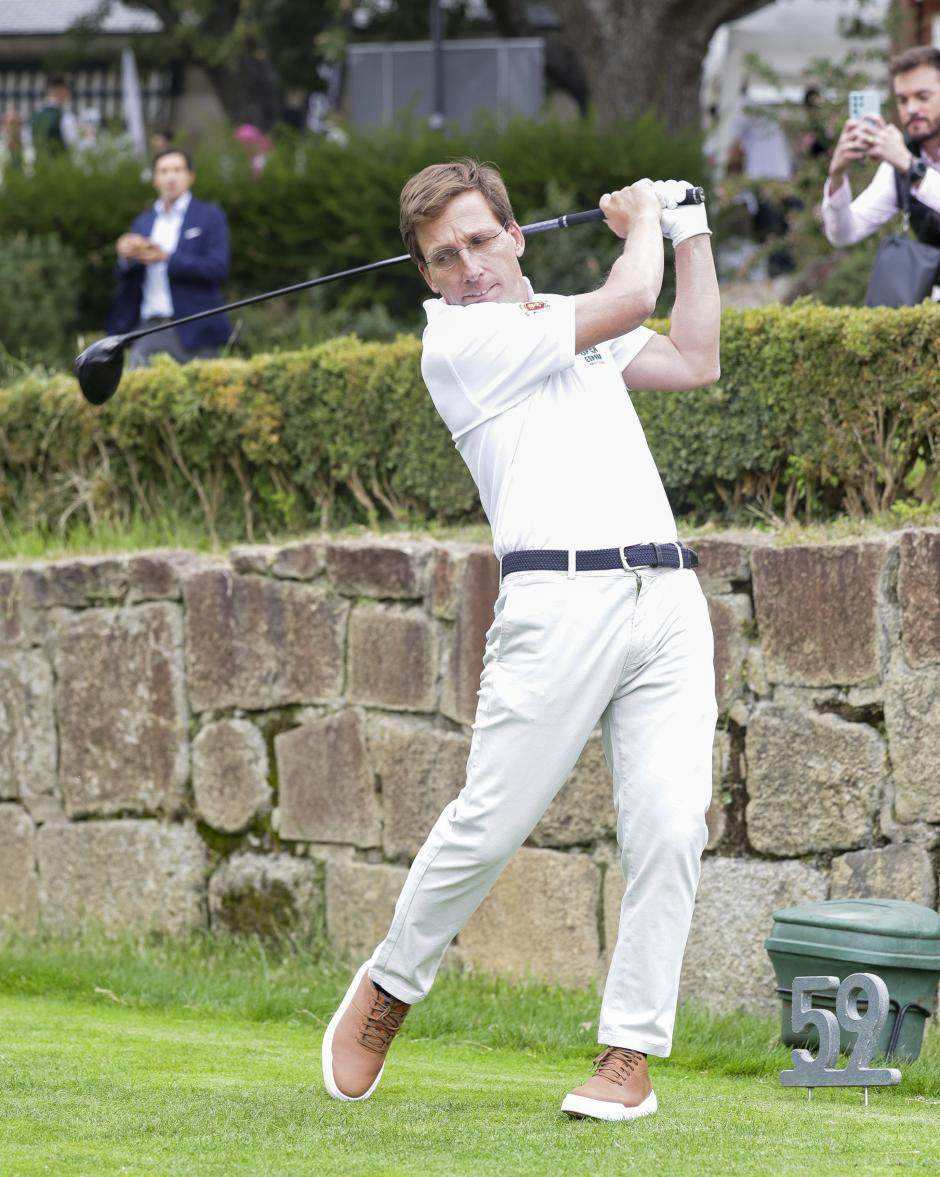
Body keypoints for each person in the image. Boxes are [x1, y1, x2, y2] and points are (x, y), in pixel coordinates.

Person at [321, 159, 720, 1122]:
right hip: (556, 605)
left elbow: (697, 356)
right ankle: (390, 985)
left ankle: (628, 1053)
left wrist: (692, 227)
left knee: (671, 829)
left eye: (478, 240)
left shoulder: (560, 319)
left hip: (664, 593)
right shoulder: (461, 343)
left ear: (516, 235)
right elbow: (633, 295)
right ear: (427, 276)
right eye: (442, 255)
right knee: (490, 822)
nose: (467, 265)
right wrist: (641, 224)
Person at [106, 148, 232, 368]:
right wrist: (126, 258)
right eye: (163, 171)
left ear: (190, 176)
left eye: (177, 170)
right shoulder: (144, 222)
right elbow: (128, 279)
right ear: (155, 179)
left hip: (195, 328)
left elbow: (218, 268)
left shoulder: (209, 216)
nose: (170, 177)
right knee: (136, 392)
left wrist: (166, 258)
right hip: (150, 327)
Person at [822, 45, 940, 269]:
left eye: (922, 97)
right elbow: (845, 234)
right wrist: (837, 176)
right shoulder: (903, 158)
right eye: (903, 100)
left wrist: (910, 167)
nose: (911, 108)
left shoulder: (904, 160)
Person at [29, 76, 77, 160]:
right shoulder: (65, 117)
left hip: (39, 167)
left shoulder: (34, 116)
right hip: (60, 169)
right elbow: (74, 147)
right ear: (61, 90)